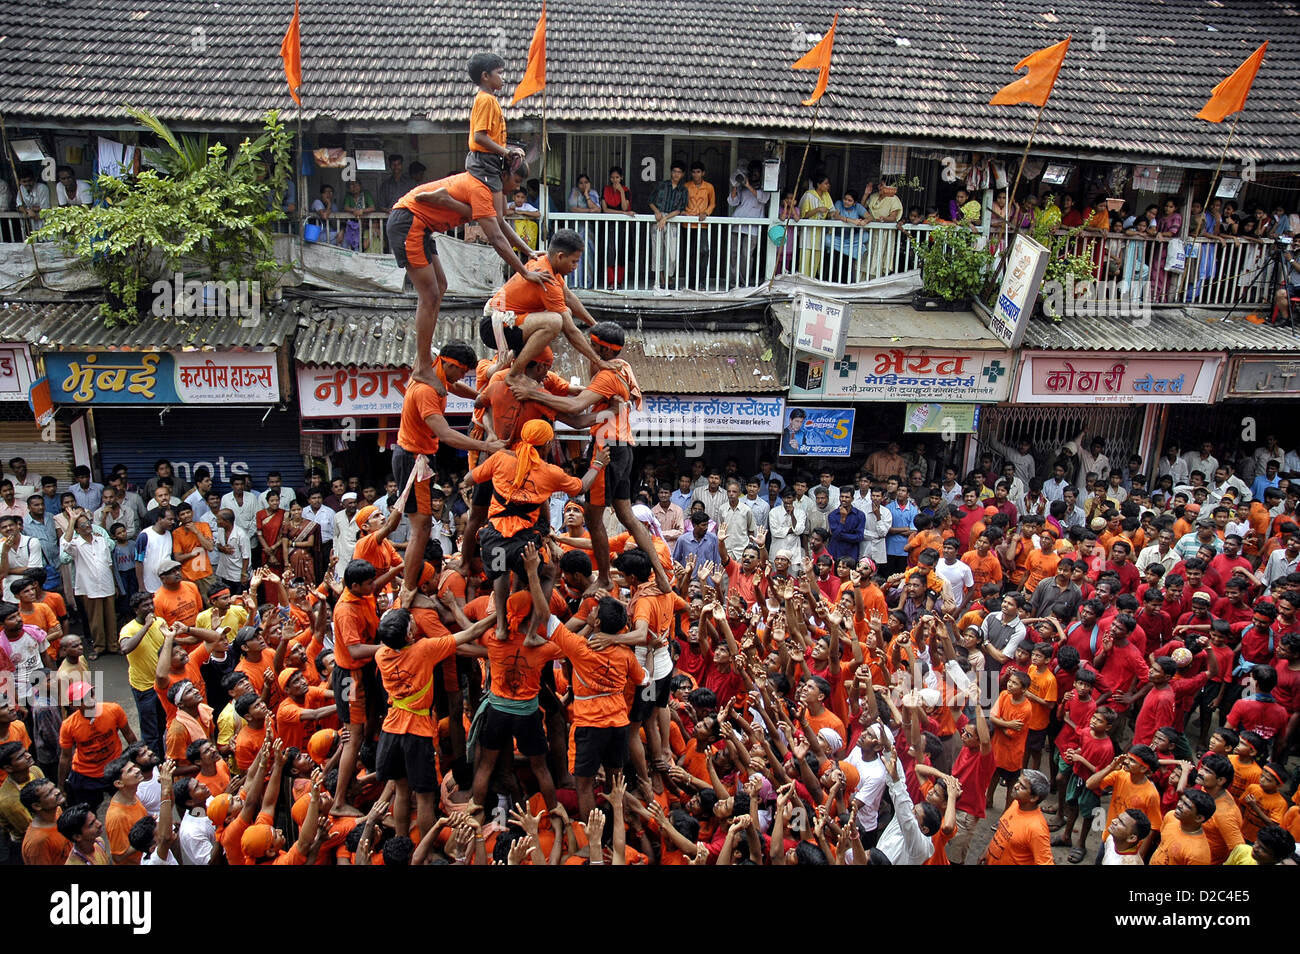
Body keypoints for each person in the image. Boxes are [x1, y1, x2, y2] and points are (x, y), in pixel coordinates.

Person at [388, 159, 545, 389]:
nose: (517, 188)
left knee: (440, 286)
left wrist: (528, 251)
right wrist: (523, 272)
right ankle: (421, 366)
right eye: (517, 181)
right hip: (410, 220)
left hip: (423, 226)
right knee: (429, 295)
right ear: (503, 175)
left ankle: (444, 199)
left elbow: (500, 223)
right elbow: (496, 238)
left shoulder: (494, 191)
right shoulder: (481, 188)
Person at [980, 769, 1053, 865]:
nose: (1015, 786)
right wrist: (987, 852)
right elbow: (1000, 833)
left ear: (1034, 798)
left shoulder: (1037, 829)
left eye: (1022, 787)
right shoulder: (1015, 804)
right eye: (1018, 782)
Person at [649, 161, 689, 286]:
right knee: (657, 251)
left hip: (672, 221)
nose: (676, 174)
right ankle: (661, 278)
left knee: (672, 254)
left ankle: (668, 275)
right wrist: (657, 212)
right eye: (674, 171)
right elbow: (651, 201)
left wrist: (665, 218)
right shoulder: (662, 185)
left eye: (679, 172)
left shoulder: (683, 190)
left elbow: (680, 209)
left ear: (682, 174)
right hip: (658, 220)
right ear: (671, 172)